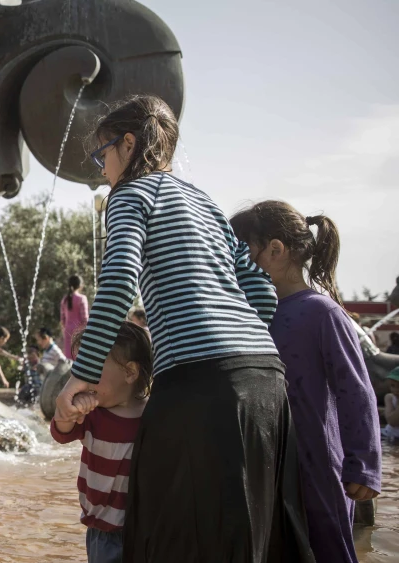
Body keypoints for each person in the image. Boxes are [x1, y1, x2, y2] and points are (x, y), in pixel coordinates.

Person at [59, 95, 312, 561]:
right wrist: (234, 335)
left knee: (172, 538)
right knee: (249, 538)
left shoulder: (130, 195)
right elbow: (261, 293)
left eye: (103, 154)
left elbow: (117, 286)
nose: (102, 169)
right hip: (265, 383)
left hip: (201, 385)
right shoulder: (205, 202)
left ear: (129, 144)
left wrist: (82, 374)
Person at [231, 201, 381, 563]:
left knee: (326, 548)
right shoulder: (248, 315)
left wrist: (363, 463)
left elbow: (356, 391)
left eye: (239, 252)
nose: (232, 264)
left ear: (275, 250)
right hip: (267, 466)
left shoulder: (322, 313)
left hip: (318, 467)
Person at [52, 322, 152, 563]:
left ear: (130, 372)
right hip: (103, 532)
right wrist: (67, 411)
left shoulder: (152, 415)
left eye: (93, 368)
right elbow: (60, 432)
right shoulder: (93, 413)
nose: (83, 378)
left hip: (143, 530)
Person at [60, 275, 89, 360]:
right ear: (80, 285)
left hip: (68, 330)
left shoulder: (64, 300)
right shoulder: (82, 298)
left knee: (69, 357)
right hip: (79, 331)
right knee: (79, 356)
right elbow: (85, 318)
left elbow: (62, 320)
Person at [383, 367, 399, 442]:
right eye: (393, 386)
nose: (396, 390)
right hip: (389, 434)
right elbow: (392, 421)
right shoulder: (389, 398)